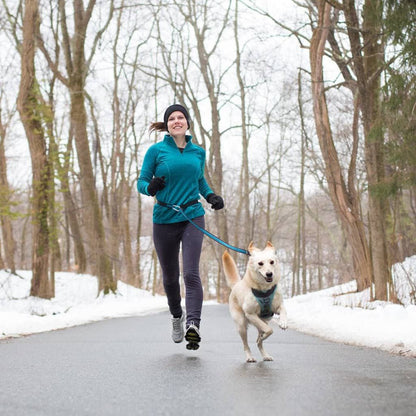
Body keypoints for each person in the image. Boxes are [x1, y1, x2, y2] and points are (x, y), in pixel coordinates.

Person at [137, 104, 224, 350]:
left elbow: (199, 180)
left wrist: (210, 196)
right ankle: (177, 316)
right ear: (167, 124)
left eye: (181, 117)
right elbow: (141, 182)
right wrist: (150, 187)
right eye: (172, 118)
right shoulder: (156, 151)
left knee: (191, 273)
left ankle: (193, 325)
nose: (177, 121)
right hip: (164, 218)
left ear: (187, 122)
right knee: (170, 277)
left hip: (192, 215)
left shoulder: (198, 152)